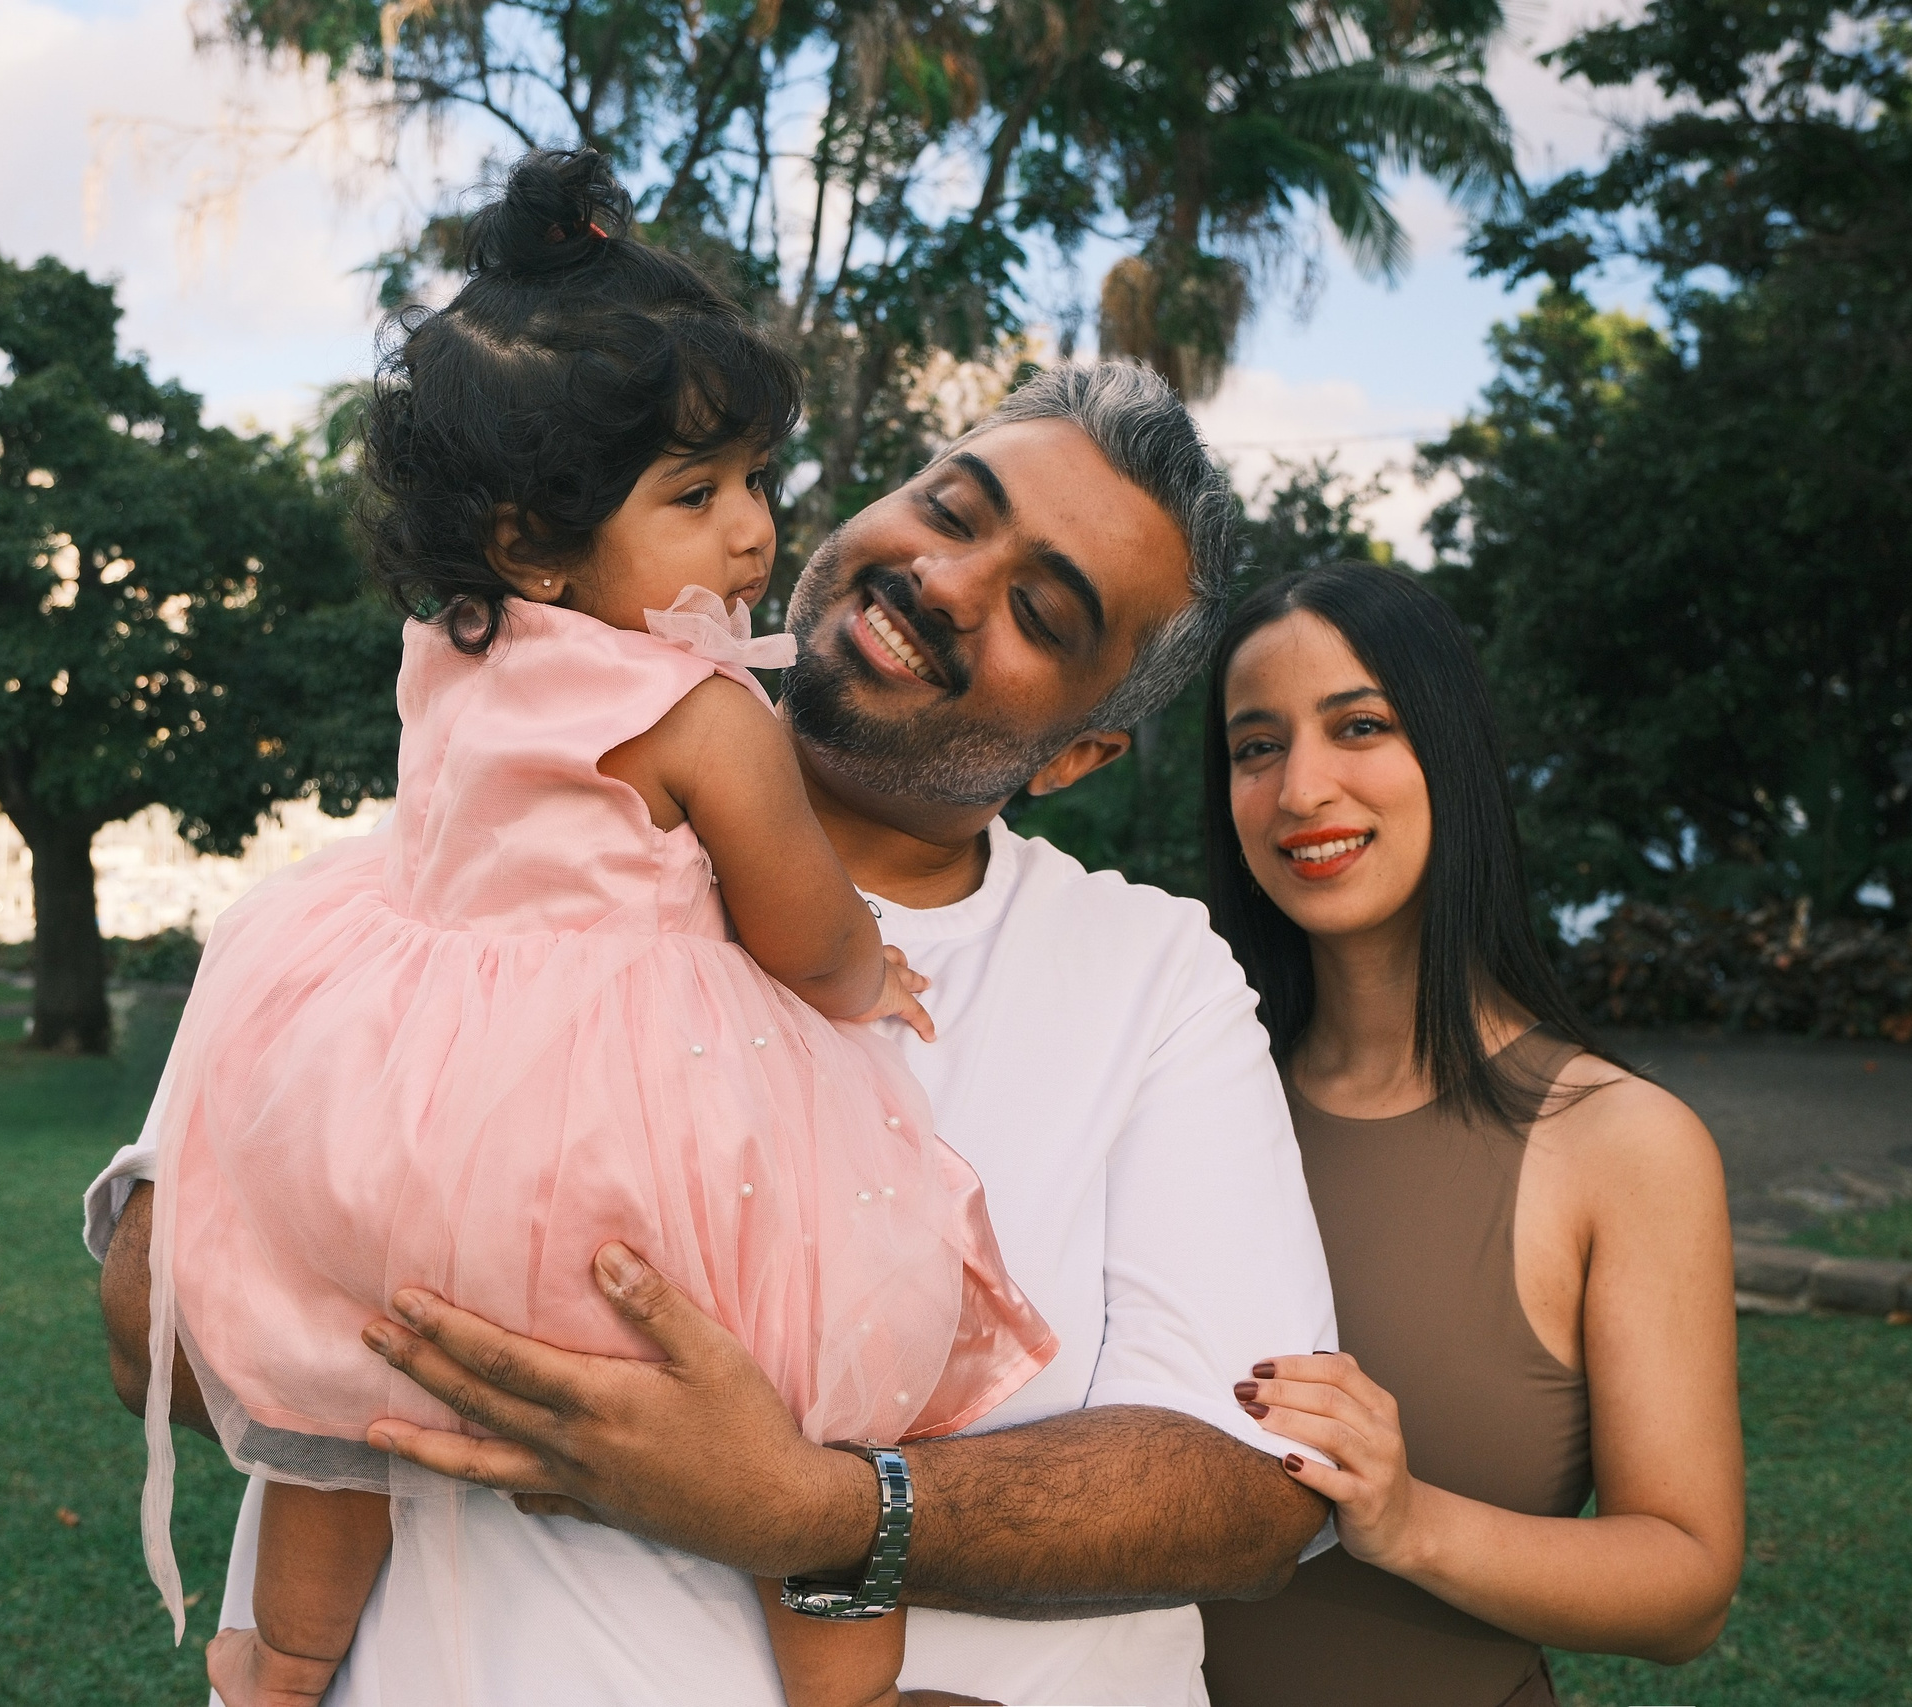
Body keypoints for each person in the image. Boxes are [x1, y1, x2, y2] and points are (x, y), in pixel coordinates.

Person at [93, 362, 1345, 1697]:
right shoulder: (467, 854)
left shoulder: (1149, 973)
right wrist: (569, 1379)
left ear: (1076, 754)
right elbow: (149, 1321)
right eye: (949, 508)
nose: (945, 581)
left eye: (1039, 610)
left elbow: (1253, 1485)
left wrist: (813, 1507)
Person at [132, 149, 1059, 1707]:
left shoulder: (448, 653)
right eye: (696, 496)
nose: (752, 533)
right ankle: (846, 1691)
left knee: (352, 1394)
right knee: (809, 1381)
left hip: (410, 1118)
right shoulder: (697, 706)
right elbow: (799, 927)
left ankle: (278, 1662)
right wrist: (867, 969)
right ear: (529, 540)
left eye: (756, 480)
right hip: (612, 1154)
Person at [1191, 564, 1745, 1707]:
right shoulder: (1185, 1100)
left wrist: (1407, 1520)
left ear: (1451, 751)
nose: (1300, 788)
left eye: (1359, 726)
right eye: (1256, 746)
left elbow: (1687, 1589)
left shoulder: (1624, 1144)